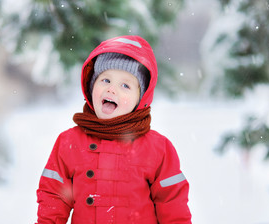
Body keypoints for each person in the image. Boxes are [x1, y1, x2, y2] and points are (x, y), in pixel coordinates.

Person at [36, 35, 191, 224]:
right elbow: (54, 196)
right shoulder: (69, 142)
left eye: (125, 85)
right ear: (91, 86)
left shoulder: (158, 148)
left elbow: (173, 204)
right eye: (105, 80)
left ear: (140, 99)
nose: (112, 90)